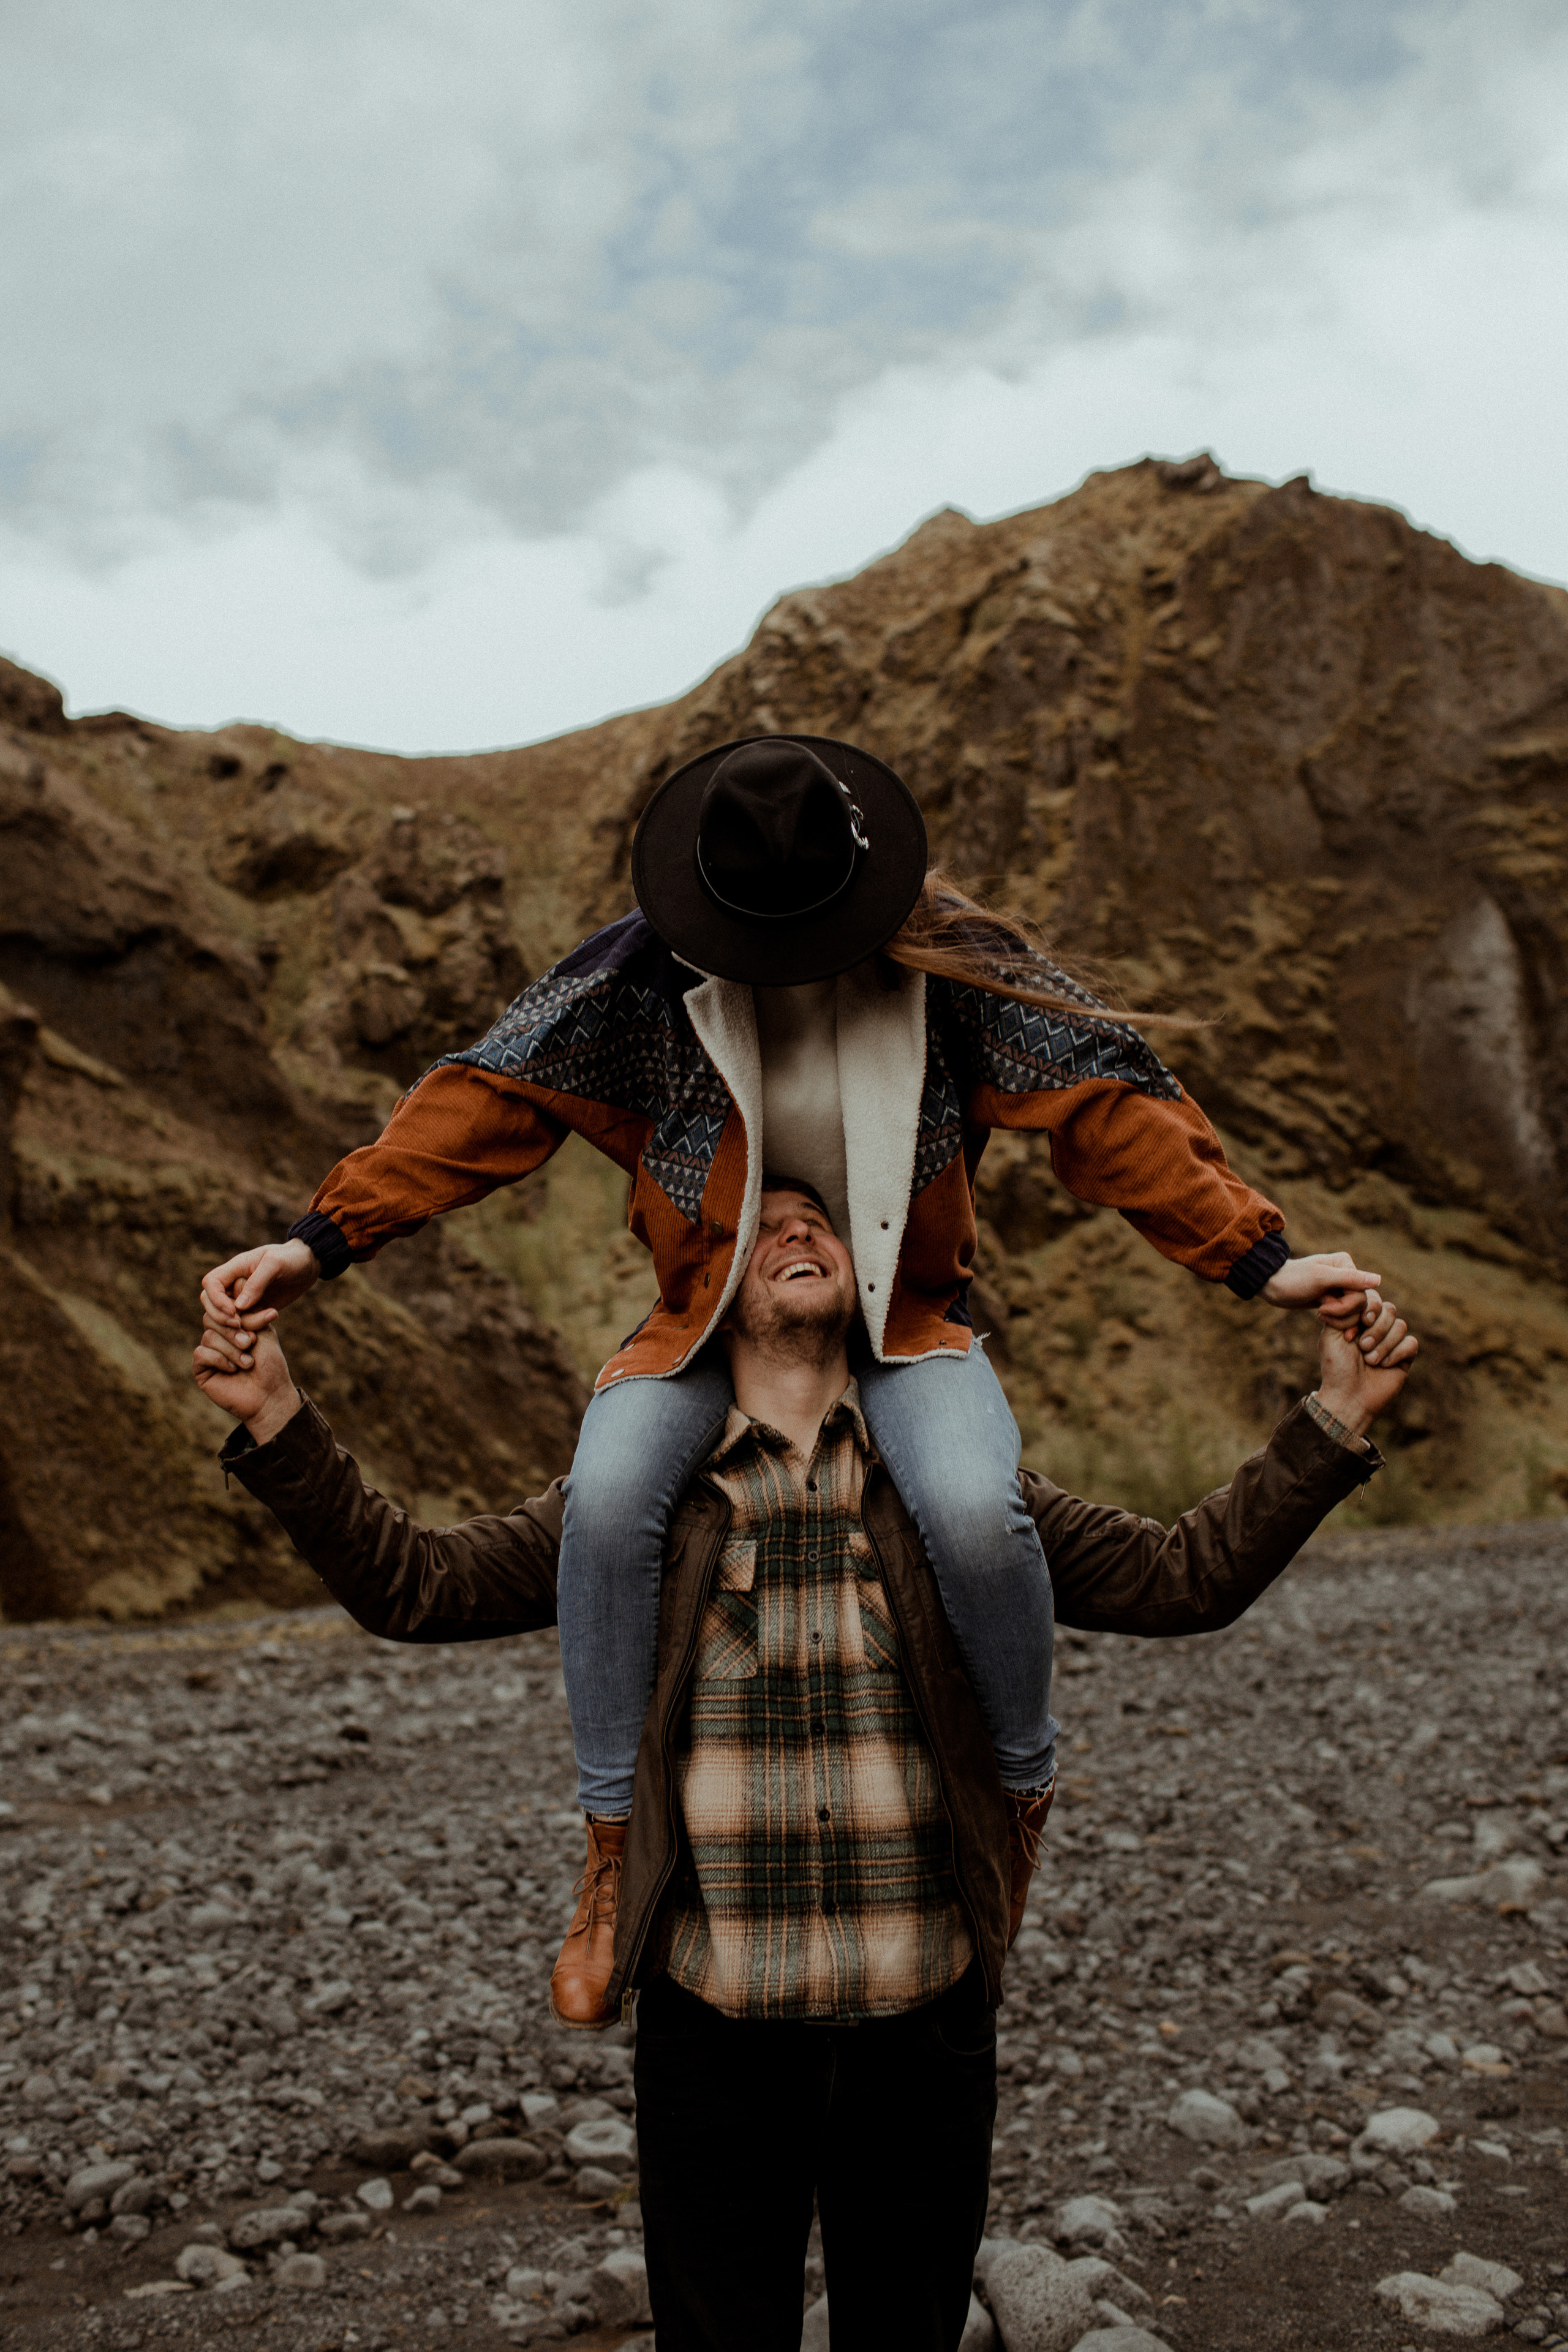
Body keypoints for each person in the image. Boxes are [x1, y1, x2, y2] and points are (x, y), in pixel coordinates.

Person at [197, 734, 1386, 2027]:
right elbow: (477, 1110)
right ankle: (609, 1850)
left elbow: (1113, 1109)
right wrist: (318, 1246)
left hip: (911, 1327)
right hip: (697, 1328)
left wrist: (1256, 1260)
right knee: (603, 1507)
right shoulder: (639, 979)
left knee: (977, 1515)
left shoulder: (955, 974)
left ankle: (1019, 1797)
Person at [194, 1183, 1417, 2352]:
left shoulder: (954, 1499)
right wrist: (273, 1414)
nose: (794, 1226)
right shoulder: (638, 1510)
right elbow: (419, 1585)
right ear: (709, 1287)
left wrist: (1336, 1417)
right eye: (759, 1221)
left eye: (817, 1217)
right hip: (713, 2028)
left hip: (922, 2018)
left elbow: (1179, 1577)